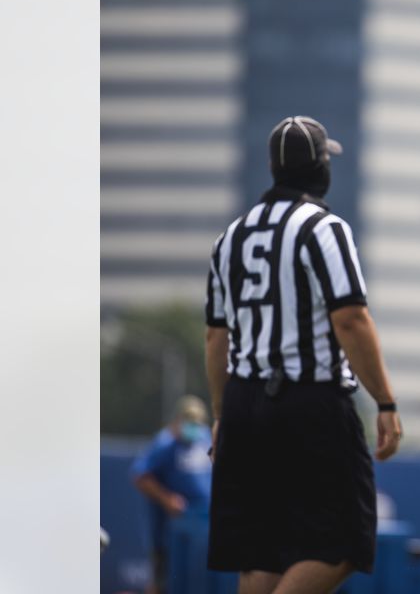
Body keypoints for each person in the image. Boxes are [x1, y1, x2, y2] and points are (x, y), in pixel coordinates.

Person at [204, 115, 402, 594]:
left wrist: (221, 414)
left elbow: (216, 338)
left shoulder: (230, 238)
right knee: (345, 542)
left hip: (244, 404)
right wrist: (385, 402)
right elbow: (350, 319)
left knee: (261, 553)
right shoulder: (324, 228)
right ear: (319, 167)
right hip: (310, 402)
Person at [131, 395, 214, 594]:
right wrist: (167, 499)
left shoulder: (204, 438)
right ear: (178, 420)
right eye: (188, 421)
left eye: (197, 422)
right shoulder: (164, 444)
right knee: (162, 579)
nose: (193, 426)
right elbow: (140, 475)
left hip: (202, 523)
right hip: (169, 527)